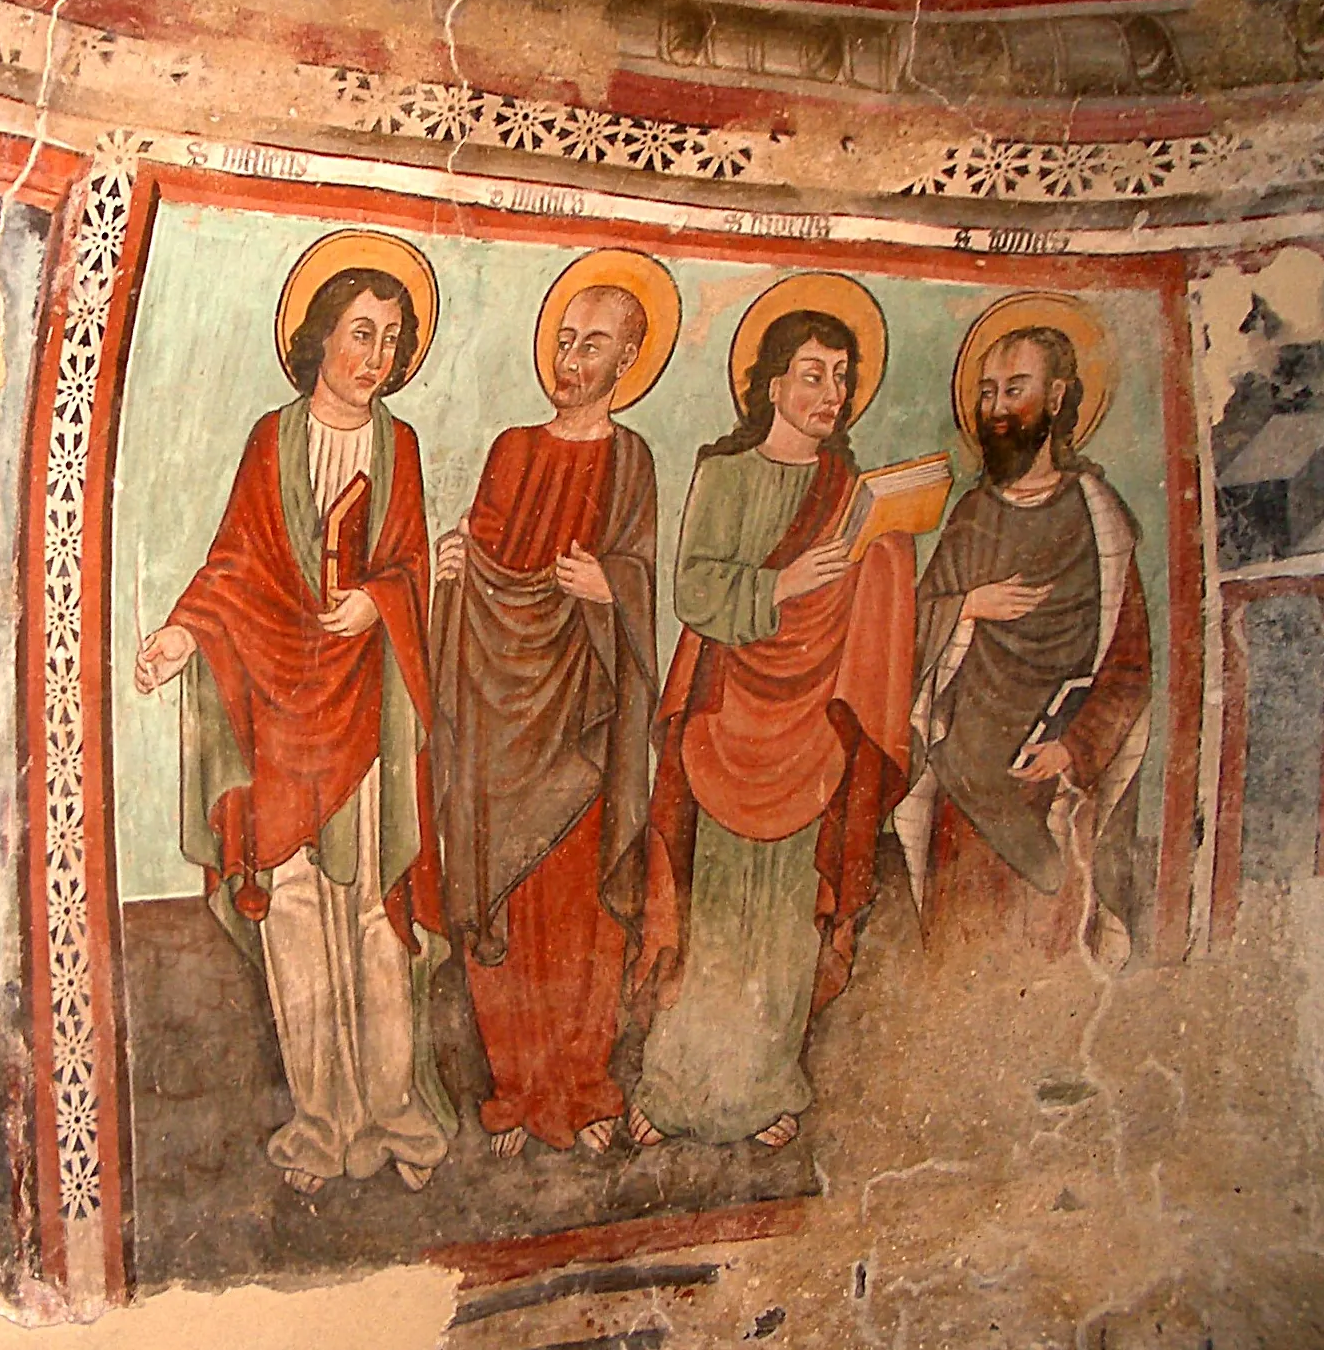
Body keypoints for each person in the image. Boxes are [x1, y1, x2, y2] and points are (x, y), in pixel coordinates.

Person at [133, 230, 455, 1198]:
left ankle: (393, 1110)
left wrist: (381, 600)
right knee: (297, 912)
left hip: (366, 709)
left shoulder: (397, 445)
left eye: (391, 340)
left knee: (374, 914)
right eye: (360, 333)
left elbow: (403, 560)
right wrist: (181, 634)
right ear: (319, 337)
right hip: (278, 705)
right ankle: (320, 1121)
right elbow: (237, 561)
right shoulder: (271, 440)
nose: (375, 356)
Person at [629, 279, 914, 1152]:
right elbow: (695, 587)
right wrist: (780, 585)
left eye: (841, 378)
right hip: (729, 715)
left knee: (788, 913)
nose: (829, 394)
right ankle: (671, 1083)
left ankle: (765, 1082)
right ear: (769, 386)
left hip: (813, 722)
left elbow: (875, 597)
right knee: (711, 907)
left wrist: (886, 550)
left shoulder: (851, 488)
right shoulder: (726, 473)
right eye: (811, 375)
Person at [430, 252, 670, 1161]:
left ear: (627, 359)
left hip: (583, 714)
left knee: (580, 907)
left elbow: (641, 574)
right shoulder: (513, 449)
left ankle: (584, 1085)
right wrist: (456, 570)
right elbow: (482, 555)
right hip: (502, 711)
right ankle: (518, 1086)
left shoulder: (630, 457)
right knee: (510, 896)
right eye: (565, 339)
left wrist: (611, 585)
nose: (573, 358)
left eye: (594, 344)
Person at [894, 303, 1150, 964]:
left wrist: (1071, 750)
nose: (997, 406)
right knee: (953, 961)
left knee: (1041, 959)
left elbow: (1127, 666)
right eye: (986, 391)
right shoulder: (971, 516)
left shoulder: (1098, 519)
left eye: (1015, 388)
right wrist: (967, 605)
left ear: (1057, 397)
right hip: (962, 780)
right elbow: (913, 640)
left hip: (1048, 788)